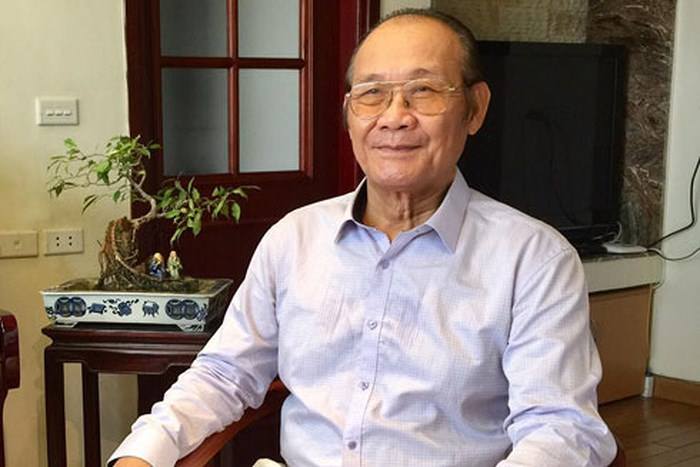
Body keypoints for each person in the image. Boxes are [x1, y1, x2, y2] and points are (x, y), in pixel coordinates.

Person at [111, 8, 616, 467]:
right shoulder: (293, 239)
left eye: (424, 90)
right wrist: (142, 454)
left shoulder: (535, 259)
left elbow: (560, 429)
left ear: (475, 108)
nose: (394, 117)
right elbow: (225, 375)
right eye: (372, 94)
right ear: (349, 113)